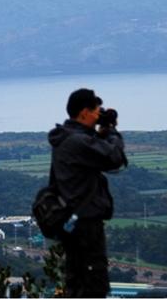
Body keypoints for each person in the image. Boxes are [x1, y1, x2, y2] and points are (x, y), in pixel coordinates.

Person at [48, 88, 128, 298]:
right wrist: (110, 129)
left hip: (75, 223)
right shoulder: (77, 142)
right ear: (84, 112)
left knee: (80, 281)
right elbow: (114, 157)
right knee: (92, 285)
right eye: (95, 112)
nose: (97, 116)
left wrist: (100, 130)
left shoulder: (67, 138)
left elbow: (94, 148)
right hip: (85, 226)